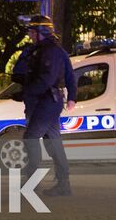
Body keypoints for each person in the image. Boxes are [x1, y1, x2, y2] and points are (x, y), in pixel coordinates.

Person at [15, 14, 75, 197]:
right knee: (53, 143)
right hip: (45, 101)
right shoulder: (41, 50)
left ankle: (31, 184)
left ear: (42, 31)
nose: (30, 35)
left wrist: (25, 92)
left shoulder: (50, 51)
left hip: (46, 102)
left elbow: (46, 79)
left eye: (33, 32)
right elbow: (21, 73)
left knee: (31, 138)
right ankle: (64, 184)